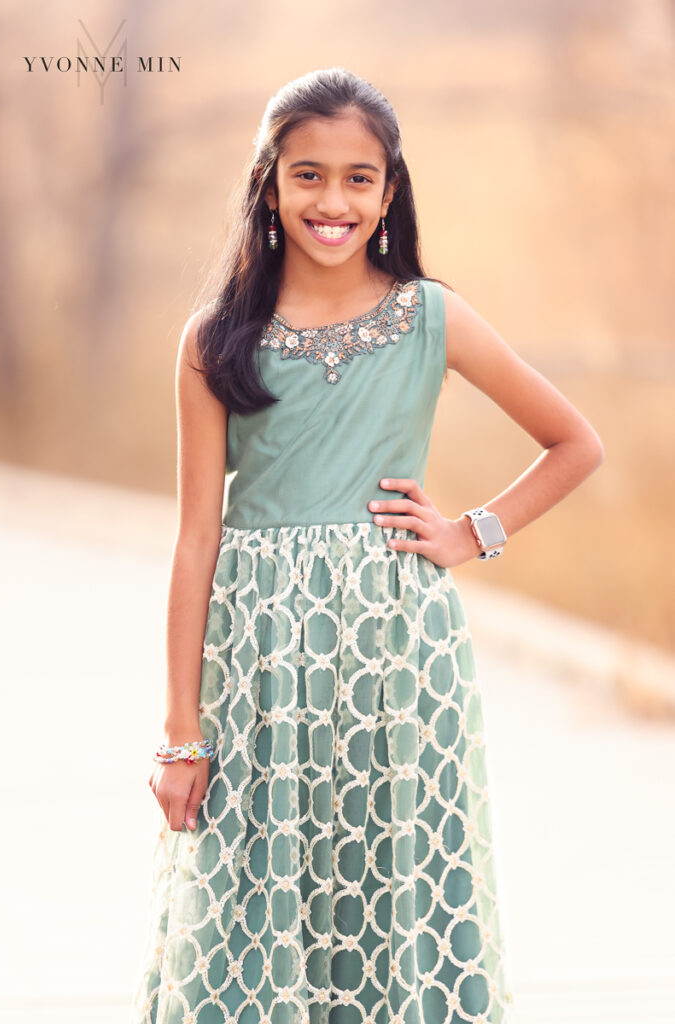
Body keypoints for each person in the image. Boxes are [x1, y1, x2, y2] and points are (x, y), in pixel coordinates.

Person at [130, 67, 604, 1024]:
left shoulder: (431, 317)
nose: (332, 201)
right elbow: (193, 543)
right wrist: (181, 733)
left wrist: (472, 532)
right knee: (251, 898)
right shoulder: (216, 340)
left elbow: (574, 443)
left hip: (398, 657)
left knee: (393, 884)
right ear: (268, 185)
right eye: (307, 175)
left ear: (390, 193)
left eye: (358, 178)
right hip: (260, 665)